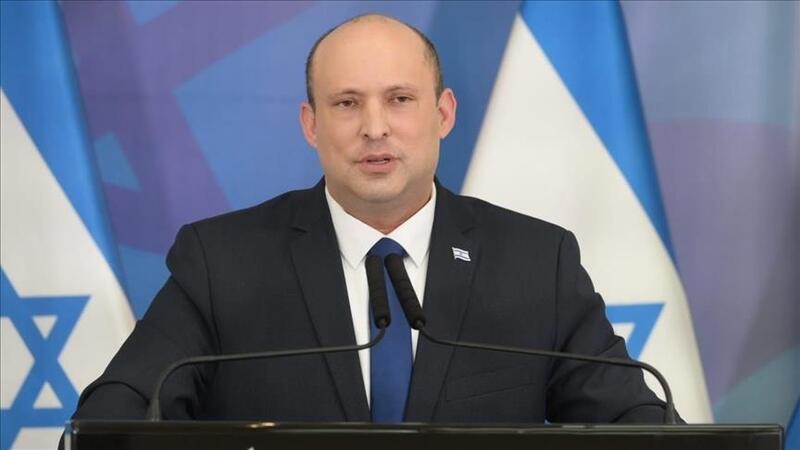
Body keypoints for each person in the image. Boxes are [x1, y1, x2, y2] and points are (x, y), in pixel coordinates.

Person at [69, 13, 670, 425]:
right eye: (347, 103)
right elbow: (117, 416)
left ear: (443, 114)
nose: (375, 127)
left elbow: (639, 425)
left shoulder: (536, 262)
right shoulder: (222, 262)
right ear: (311, 124)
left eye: (399, 100)